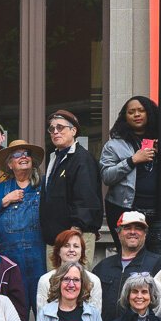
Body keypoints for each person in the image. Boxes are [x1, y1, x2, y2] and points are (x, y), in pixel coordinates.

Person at [100, 96, 161, 240]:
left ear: (149, 114)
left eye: (141, 111)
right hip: (125, 210)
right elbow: (107, 176)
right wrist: (132, 161)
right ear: (125, 117)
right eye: (131, 112)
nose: (136, 115)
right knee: (129, 253)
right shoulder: (114, 145)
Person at [0, 137, 47, 313]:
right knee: (16, 312)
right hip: (11, 261)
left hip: (39, 258)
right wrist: (5, 200)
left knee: (44, 308)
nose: (23, 157)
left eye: (27, 154)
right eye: (17, 155)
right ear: (10, 164)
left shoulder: (44, 185)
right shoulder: (1, 189)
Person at [38, 108, 102, 261]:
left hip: (74, 237)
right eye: (52, 128)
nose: (55, 132)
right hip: (55, 238)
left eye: (60, 127)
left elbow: (87, 198)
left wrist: (76, 230)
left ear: (73, 131)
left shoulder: (82, 159)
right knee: (54, 284)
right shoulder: (55, 157)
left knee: (76, 282)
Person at [94, 211, 161, 321]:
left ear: (145, 234)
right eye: (127, 228)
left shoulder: (158, 263)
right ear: (118, 233)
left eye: (138, 228)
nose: (133, 232)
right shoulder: (103, 266)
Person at [36, 228, 104, 319]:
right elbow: (42, 318)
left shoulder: (93, 280)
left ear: (82, 252)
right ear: (58, 251)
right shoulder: (45, 280)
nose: (71, 250)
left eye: (76, 246)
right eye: (66, 246)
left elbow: (96, 318)